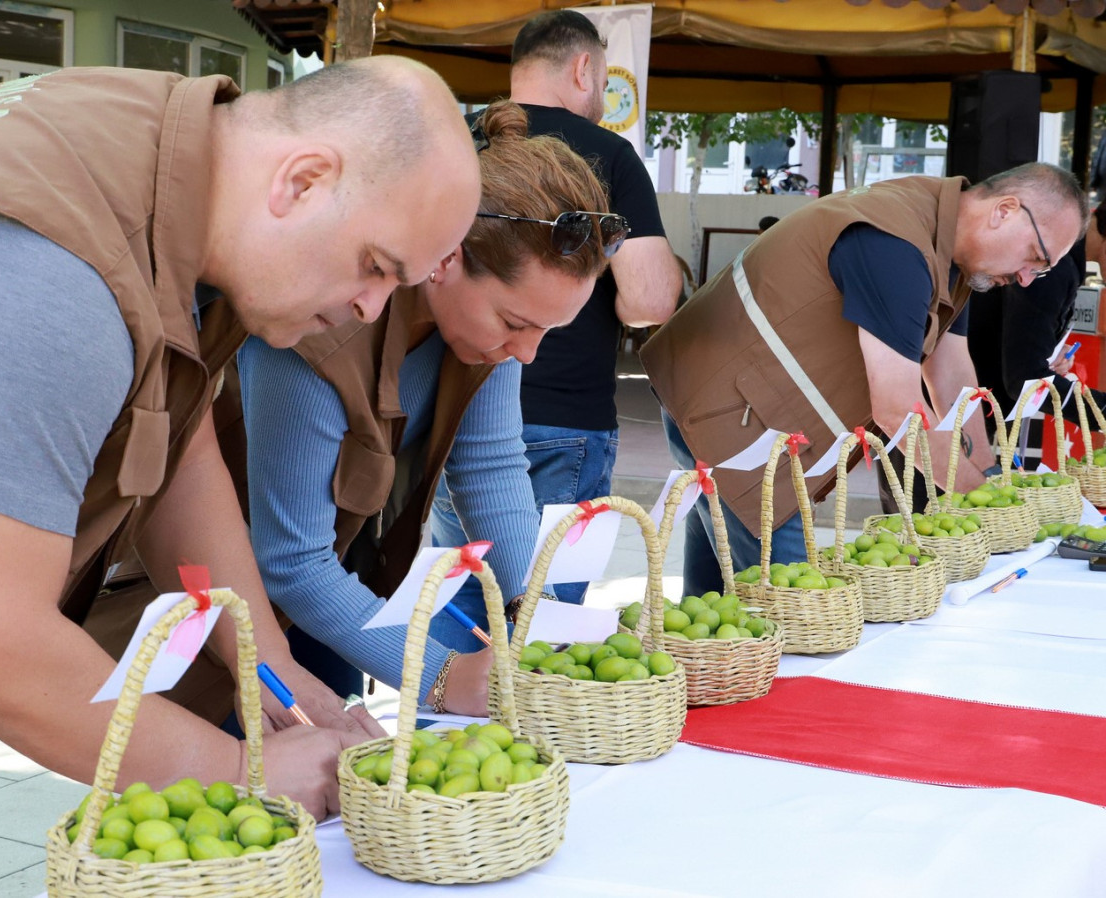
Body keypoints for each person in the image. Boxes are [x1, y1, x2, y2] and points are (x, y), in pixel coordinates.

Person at [0, 58, 480, 895]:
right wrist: (242, 772)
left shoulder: (174, 168)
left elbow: (178, 445)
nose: (371, 310)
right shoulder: (53, 267)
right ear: (304, 181)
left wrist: (275, 677)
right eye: (378, 266)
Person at [237, 100, 612, 720]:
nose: (525, 354)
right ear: (446, 258)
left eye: (547, 331)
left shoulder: (480, 340)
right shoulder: (317, 322)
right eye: (516, 323)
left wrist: (538, 620)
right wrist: (441, 676)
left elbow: (491, 467)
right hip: (221, 604)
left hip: (337, 585)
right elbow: (292, 562)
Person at [643, 162, 1089, 574]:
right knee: (793, 605)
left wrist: (992, 475)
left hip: (747, 411)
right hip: (728, 410)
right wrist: (982, 501)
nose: (1028, 278)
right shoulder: (897, 242)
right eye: (1035, 257)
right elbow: (898, 410)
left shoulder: (950, 249)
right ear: (1005, 211)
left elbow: (952, 376)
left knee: (717, 600)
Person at [429, 8, 682, 605]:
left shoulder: (458, 140)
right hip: (563, 418)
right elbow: (648, 300)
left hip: (449, 404)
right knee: (541, 634)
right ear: (584, 68)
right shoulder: (607, 154)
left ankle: (439, 694)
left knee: (458, 605)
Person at [969, 205, 1106, 453]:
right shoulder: (1054, 263)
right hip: (952, 411)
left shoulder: (1064, 258)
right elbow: (1025, 378)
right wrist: (1101, 410)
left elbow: (1016, 332)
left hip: (968, 408)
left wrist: (1048, 349)